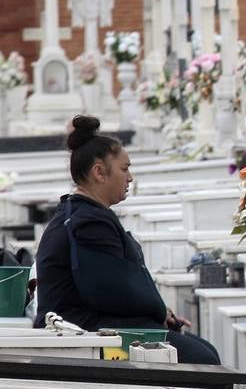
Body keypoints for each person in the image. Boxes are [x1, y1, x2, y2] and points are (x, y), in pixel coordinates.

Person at [32, 116, 221, 364]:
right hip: (83, 333)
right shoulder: (88, 222)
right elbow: (110, 290)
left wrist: (160, 313)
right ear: (99, 172)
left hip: (90, 324)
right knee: (202, 359)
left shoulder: (84, 212)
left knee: (203, 349)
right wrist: (159, 311)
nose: (130, 177)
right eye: (124, 169)